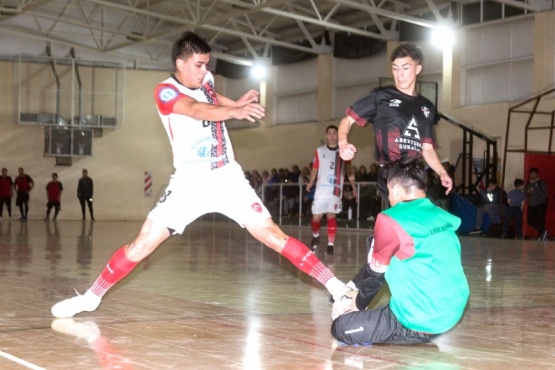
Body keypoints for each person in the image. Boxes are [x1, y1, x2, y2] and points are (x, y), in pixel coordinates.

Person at [51, 31, 348, 319]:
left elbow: (209, 96)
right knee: (141, 245)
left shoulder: (205, 79)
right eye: (199, 64)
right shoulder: (165, 91)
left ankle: (336, 287)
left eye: (207, 64)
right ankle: (91, 298)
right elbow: (194, 109)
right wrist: (234, 114)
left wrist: (235, 104)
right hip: (189, 183)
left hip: (226, 177)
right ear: (180, 63)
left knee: (273, 236)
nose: (205, 70)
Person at [330, 157, 469, 346]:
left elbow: (376, 274)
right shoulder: (441, 215)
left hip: (419, 321)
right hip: (452, 312)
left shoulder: (390, 218)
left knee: (340, 328)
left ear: (395, 190)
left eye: (388, 192)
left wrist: (358, 304)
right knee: (399, 250)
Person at [337, 43, 452, 202]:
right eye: (395, 68)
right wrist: (343, 142)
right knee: (405, 217)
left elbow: (427, 149)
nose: (399, 74)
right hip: (391, 172)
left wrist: (442, 172)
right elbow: (347, 120)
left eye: (405, 68)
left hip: (416, 173)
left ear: (418, 69)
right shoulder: (381, 96)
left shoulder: (426, 107)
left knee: (414, 220)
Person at [306, 125, 357, 255]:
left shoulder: (343, 151)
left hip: (335, 190)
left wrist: (354, 187)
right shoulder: (319, 150)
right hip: (320, 190)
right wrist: (310, 182)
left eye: (335, 133)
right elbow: (315, 169)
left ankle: (330, 245)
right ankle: (316, 236)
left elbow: (349, 170)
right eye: (330, 133)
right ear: (326, 136)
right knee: (316, 218)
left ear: (338, 135)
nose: (332, 136)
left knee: (331, 216)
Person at [525, 167, 548, 241]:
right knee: (530, 220)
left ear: (537, 174)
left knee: (540, 220)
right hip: (532, 204)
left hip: (541, 204)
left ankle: (541, 236)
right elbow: (526, 193)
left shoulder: (541, 182)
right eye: (531, 174)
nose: (532, 175)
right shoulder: (528, 183)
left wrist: (538, 201)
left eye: (534, 174)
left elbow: (545, 193)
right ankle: (543, 231)